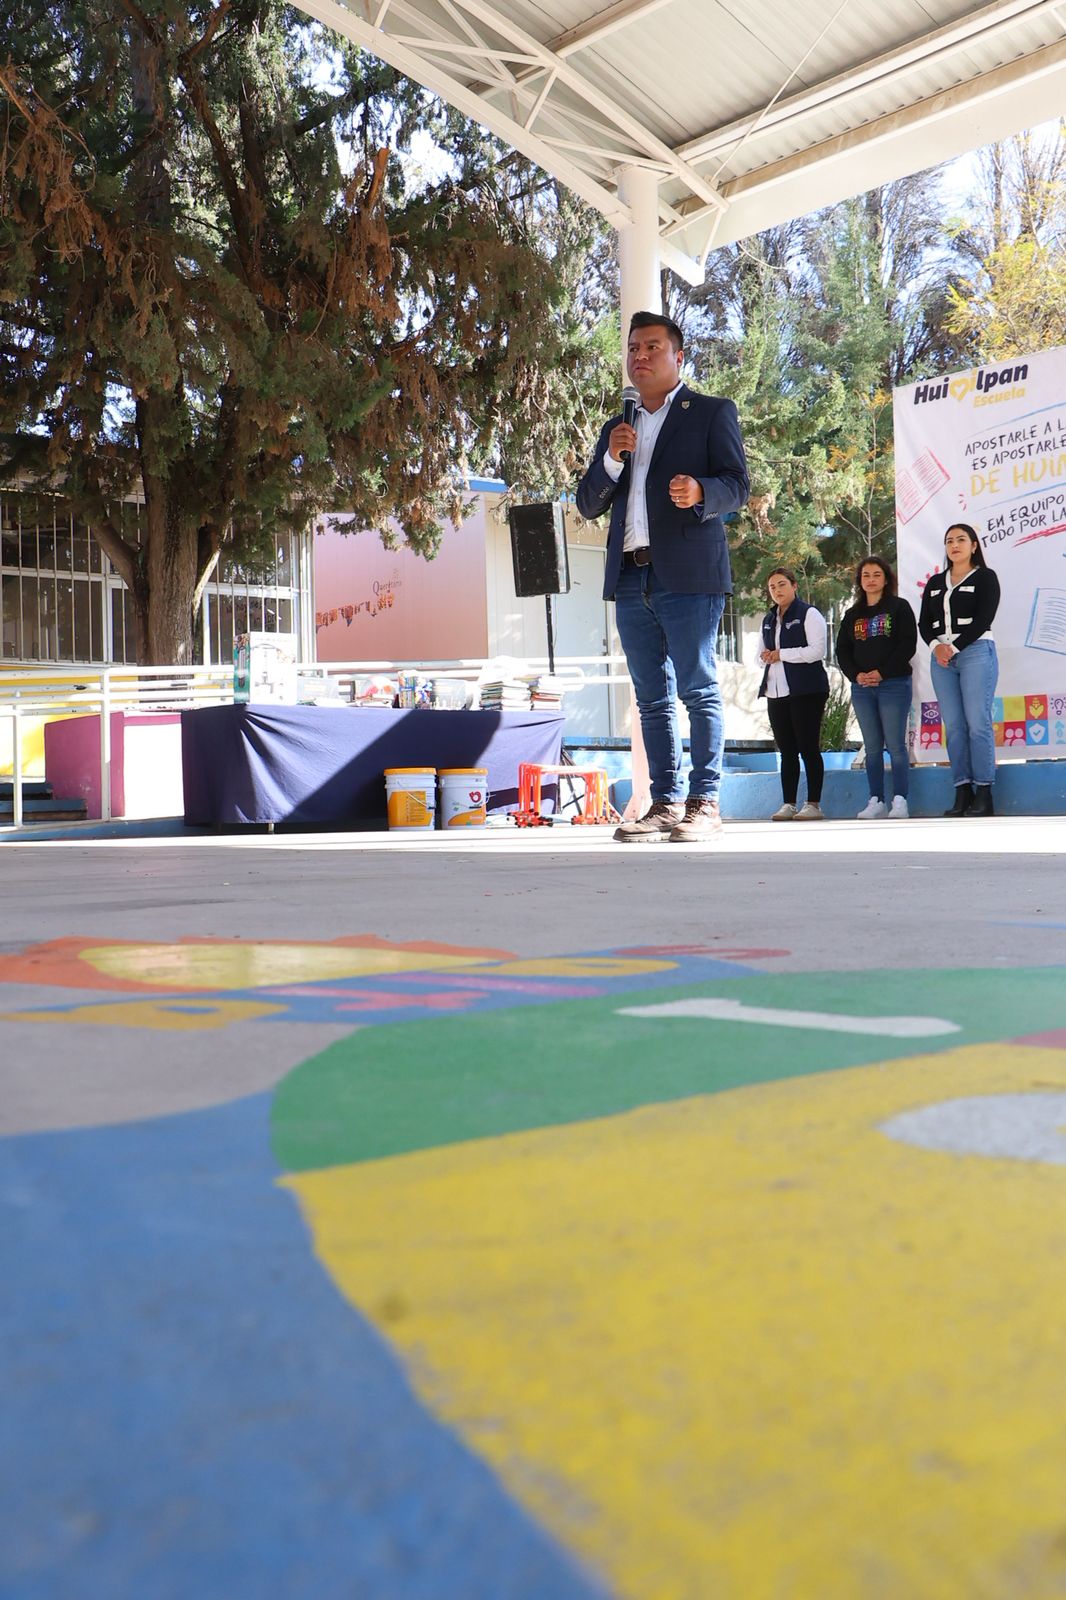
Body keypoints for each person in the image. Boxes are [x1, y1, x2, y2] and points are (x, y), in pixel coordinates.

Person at [576, 311, 749, 843]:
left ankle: (705, 801)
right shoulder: (618, 428)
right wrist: (611, 458)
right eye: (633, 348)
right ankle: (666, 802)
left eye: (652, 346)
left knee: (698, 688)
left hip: (689, 574)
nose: (640, 356)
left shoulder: (711, 412)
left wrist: (701, 492)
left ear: (679, 356)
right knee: (650, 697)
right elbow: (588, 504)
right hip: (631, 576)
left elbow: (737, 485)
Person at [918, 522, 1001, 817]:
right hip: (941, 659)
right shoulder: (935, 583)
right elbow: (924, 623)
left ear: (974, 545)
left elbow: (984, 618)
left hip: (975, 652)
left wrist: (953, 647)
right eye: (949, 540)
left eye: (961, 540)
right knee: (953, 726)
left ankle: (984, 792)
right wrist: (936, 647)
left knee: (978, 722)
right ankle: (962, 790)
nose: (954, 545)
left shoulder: (985, 577)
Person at [835, 556, 917, 819]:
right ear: (860, 581)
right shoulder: (852, 615)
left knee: (895, 745)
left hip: (894, 684)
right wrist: (856, 675)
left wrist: (882, 673)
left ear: (886, 579)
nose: (871, 580)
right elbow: (842, 650)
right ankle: (876, 800)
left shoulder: (899, 607)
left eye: (876, 575)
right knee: (871, 747)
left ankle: (900, 800)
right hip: (862, 688)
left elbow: (907, 644)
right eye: (866, 575)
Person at [758, 569, 830, 821]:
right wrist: (766, 656)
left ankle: (813, 804)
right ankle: (788, 803)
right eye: (772, 587)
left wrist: (782, 654)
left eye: (782, 584)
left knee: (808, 747)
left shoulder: (809, 613)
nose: (777, 590)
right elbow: (760, 655)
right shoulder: (768, 619)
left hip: (806, 689)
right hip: (775, 691)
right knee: (786, 750)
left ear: (794, 585)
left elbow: (817, 651)